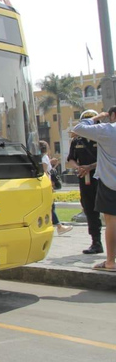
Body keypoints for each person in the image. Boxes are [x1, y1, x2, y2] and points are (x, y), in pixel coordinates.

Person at [72, 107, 116, 271]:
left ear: (112, 115)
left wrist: (98, 117)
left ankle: (111, 262)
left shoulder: (108, 129)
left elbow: (78, 128)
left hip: (110, 182)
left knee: (112, 221)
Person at [68, 110, 103, 254]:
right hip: (85, 179)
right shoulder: (77, 141)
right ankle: (96, 242)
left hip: (102, 177)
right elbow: (71, 158)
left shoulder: (103, 138)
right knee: (89, 209)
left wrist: (90, 167)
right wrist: (78, 168)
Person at [40, 141, 72, 235]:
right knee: (50, 206)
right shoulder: (44, 157)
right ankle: (59, 227)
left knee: (50, 206)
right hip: (46, 185)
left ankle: (56, 226)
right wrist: (49, 185)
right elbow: (45, 171)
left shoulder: (42, 158)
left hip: (45, 184)